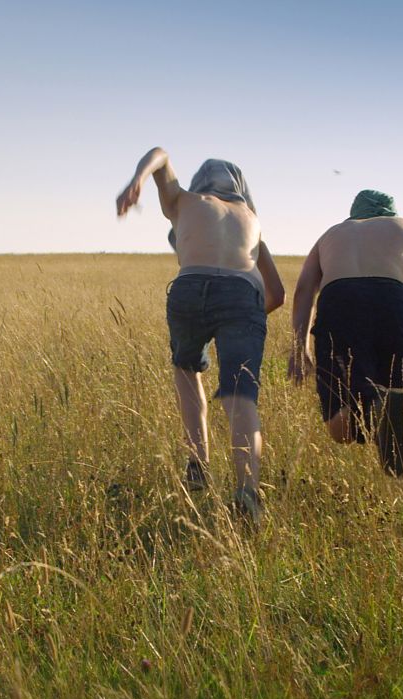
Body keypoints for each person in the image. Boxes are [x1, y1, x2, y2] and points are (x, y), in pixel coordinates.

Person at [116, 147, 285, 521]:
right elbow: (277, 294)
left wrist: (137, 181)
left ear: (199, 183)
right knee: (240, 395)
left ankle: (197, 464)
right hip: (243, 295)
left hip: (190, 288)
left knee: (187, 368)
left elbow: (160, 155)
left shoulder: (185, 201)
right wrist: (244, 322)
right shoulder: (251, 220)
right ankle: (247, 492)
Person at [288, 190, 403, 476]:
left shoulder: (330, 235)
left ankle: (374, 409)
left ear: (353, 213)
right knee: (399, 403)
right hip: (392, 302)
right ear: (391, 212)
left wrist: (300, 348)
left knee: (340, 425)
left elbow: (303, 291)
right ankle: (384, 416)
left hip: (338, 303)